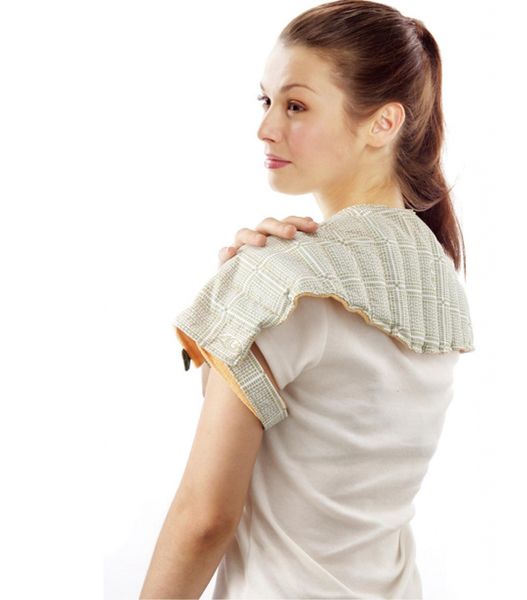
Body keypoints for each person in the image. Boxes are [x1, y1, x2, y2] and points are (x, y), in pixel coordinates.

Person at [139, 1, 475, 598]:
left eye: (296, 106)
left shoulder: (283, 280)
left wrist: (247, 295)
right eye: (265, 101)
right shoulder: (440, 284)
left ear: (383, 123)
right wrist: (240, 297)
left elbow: (204, 519)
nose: (266, 128)